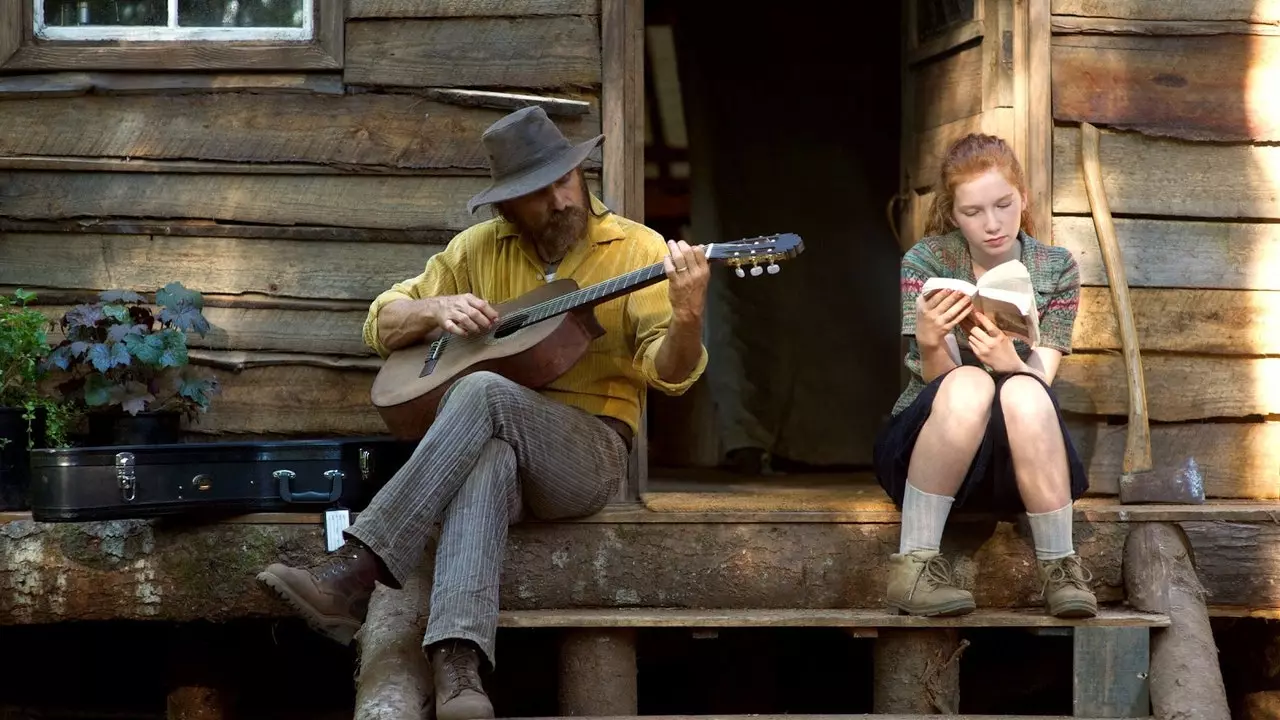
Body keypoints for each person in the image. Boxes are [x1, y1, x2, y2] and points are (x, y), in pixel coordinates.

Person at [256, 105, 710, 720]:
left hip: (588, 452)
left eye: (565, 180)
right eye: (536, 191)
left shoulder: (637, 249)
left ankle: (356, 570)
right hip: (487, 445)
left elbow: (672, 372)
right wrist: (434, 311)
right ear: (505, 205)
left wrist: (686, 317)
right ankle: (459, 668)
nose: (558, 199)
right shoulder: (476, 249)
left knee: (480, 391)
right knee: (488, 457)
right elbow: (380, 320)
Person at [873, 132, 1097, 619]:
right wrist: (932, 340)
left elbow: (1044, 375)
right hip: (930, 452)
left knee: (1022, 389)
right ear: (953, 214)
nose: (992, 224)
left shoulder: (1056, 268)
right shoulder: (927, 260)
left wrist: (1010, 363)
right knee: (970, 383)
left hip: (1019, 459)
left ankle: (1060, 567)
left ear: (1023, 199)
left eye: (1003, 204)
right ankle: (914, 566)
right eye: (973, 212)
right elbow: (939, 387)